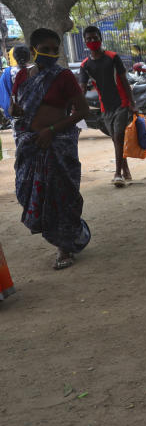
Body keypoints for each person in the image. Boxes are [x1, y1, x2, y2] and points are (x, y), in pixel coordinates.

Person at [12, 28, 91, 270]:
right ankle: (63, 237)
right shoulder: (23, 77)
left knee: (63, 195)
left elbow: (82, 111)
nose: (51, 54)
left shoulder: (64, 76)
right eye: (45, 49)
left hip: (58, 145)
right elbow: (19, 108)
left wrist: (52, 130)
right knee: (34, 194)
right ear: (33, 49)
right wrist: (17, 112)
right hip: (32, 145)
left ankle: (64, 247)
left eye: (55, 50)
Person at [79, 25, 138, 187]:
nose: (92, 41)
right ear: (85, 42)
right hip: (105, 108)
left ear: (100, 39)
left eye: (94, 38)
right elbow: (82, 88)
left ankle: (118, 174)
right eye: (89, 39)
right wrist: (77, 106)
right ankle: (126, 170)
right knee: (116, 140)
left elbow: (124, 80)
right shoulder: (85, 65)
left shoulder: (112, 57)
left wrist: (132, 103)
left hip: (121, 103)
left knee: (118, 136)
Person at [1, 45, 30, 121]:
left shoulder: (7, 73)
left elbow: (3, 94)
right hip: (36, 111)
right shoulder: (36, 70)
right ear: (29, 56)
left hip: (17, 113)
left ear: (14, 57)